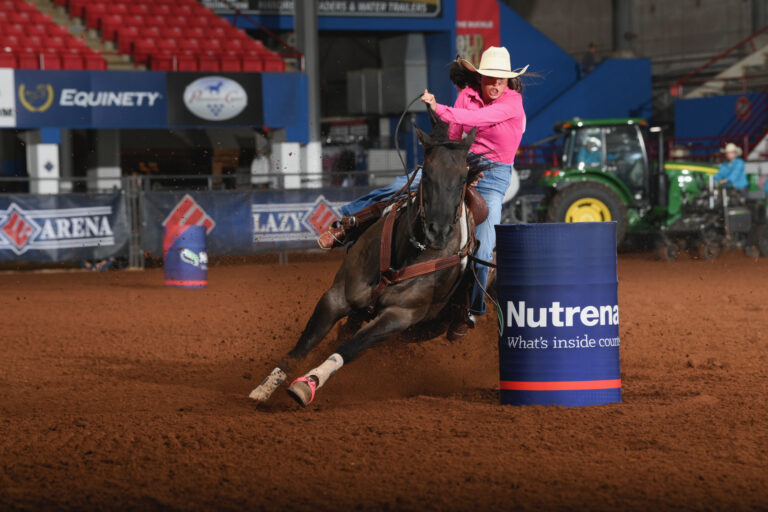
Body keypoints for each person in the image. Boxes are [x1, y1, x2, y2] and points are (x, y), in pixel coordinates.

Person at [319, 46, 528, 337]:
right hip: (459, 164)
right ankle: (347, 223)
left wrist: (437, 108)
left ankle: (471, 309)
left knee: (485, 244)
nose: (495, 84)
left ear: (508, 81)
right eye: (490, 78)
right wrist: (449, 162)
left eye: (500, 80)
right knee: (399, 186)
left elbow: (476, 120)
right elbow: (453, 134)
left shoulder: (513, 103)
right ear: (480, 77)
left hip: (492, 177)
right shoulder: (467, 96)